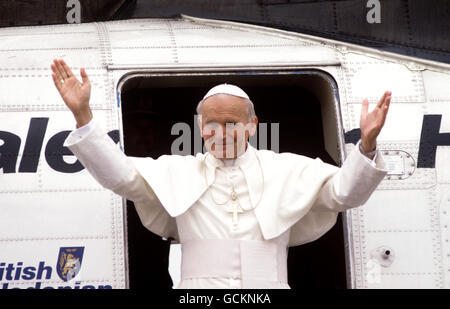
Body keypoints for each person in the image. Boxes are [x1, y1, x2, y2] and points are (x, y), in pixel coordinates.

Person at [51, 59, 391, 289]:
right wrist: (84, 116)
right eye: (212, 124)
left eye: (232, 124)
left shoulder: (288, 169)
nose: (222, 132)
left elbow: (346, 194)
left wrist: (367, 145)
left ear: (251, 126)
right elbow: (121, 177)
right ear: (200, 127)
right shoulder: (178, 171)